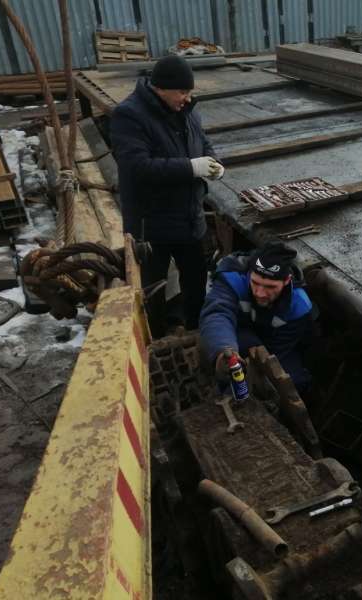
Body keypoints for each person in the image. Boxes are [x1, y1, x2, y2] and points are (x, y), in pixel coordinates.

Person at [110, 55, 224, 337]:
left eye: (189, 91)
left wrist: (213, 162)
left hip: (189, 218)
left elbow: (203, 141)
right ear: (160, 88)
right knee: (153, 288)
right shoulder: (129, 116)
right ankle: (157, 338)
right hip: (152, 225)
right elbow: (137, 167)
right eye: (182, 92)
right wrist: (190, 167)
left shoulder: (187, 109)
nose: (188, 98)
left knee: (196, 280)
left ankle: (196, 330)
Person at [199, 242, 314, 393]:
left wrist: (257, 377)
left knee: (296, 380)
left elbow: (278, 351)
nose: (259, 293)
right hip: (235, 333)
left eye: (270, 287)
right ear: (249, 272)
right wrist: (223, 349)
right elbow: (217, 313)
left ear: (287, 281)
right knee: (228, 368)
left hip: (272, 343)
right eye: (255, 282)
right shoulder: (233, 278)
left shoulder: (299, 306)